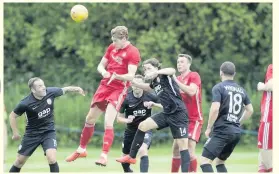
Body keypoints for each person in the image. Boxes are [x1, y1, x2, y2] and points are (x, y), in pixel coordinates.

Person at [65, 26, 141, 166]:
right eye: (112, 40)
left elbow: (131, 75)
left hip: (119, 88)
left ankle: (103, 156)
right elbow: (100, 66)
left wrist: (117, 76)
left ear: (124, 38)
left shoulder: (133, 52)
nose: (114, 43)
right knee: (90, 118)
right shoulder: (112, 47)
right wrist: (104, 73)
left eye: (116, 40)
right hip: (105, 85)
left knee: (108, 121)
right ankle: (81, 150)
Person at [116, 58, 191, 173]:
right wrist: (134, 82)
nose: (146, 71)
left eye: (149, 68)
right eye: (145, 69)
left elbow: (172, 70)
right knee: (143, 125)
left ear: (157, 68)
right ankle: (131, 157)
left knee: (183, 147)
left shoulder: (164, 76)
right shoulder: (154, 82)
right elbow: (147, 88)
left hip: (178, 113)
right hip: (167, 113)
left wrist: (156, 72)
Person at [8, 77, 85, 173]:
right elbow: (12, 116)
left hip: (48, 132)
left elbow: (64, 89)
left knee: (52, 158)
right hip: (32, 134)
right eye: (40, 86)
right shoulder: (25, 103)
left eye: (43, 85)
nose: (44, 87)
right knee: (19, 162)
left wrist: (77, 88)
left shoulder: (50, 92)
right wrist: (15, 133)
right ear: (33, 90)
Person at [200, 61, 254, 172]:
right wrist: (238, 123)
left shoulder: (219, 87)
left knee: (205, 161)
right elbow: (250, 110)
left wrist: (209, 127)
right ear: (234, 74)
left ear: (221, 72)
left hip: (222, 131)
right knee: (219, 162)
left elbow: (215, 109)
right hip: (235, 132)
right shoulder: (241, 90)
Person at [117, 74, 162, 173]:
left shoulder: (149, 95)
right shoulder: (126, 98)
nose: (136, 86)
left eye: (139, 84)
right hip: (130, 131)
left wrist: (154, 104)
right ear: (131, 84)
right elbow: (118, 118)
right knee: (124, 157)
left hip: (146, 129)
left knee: (142, 150)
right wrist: (126, 120)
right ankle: (128, 171)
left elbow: (164, 105)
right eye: (134, 83)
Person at [171, 54, 203, 172]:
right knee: (175, 149)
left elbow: (191, 91)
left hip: (194, 119)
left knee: (189, 150)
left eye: (182, 62)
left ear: (189, 64)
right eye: (178, 62)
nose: (179, 64)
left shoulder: (194, 75)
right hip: (180, 119)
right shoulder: (178, 79)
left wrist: (174, 81)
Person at [257, 64, 273, 172]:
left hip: (270, 116)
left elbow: (271, 85)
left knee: (265, 149)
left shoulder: (273, 67)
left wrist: (262, 86)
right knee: (262, 161)